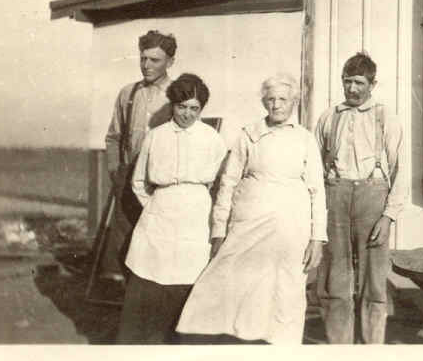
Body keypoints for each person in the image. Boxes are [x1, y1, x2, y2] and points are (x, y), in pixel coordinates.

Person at [176, 74, 327, 345]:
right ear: (263, 102)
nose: (276, 105)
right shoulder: (249, 134)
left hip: (291, 227)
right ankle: (234, 342)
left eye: (283, 99)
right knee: (235, 282)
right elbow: (228, 183)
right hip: (250, 222)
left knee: (286, 289)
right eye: (270, 99)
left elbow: (317, 190)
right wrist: (219, 229)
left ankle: (280, 346)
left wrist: (317, 239)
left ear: (294, 102)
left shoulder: (305, 139)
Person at [116, 73, 227, 344]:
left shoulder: (212, 139)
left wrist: (195, 205)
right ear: (173, 105)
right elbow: (139, 182)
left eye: (194, 108)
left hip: (195, 215)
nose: (187, 114)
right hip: (159, 214)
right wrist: (158, 207)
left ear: (201, 109)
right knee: (150, 279)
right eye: (182, 107)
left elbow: (219, 182)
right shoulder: (156, 136)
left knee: (187, 279)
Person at [315, 52, 405, 344]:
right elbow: (314, 170)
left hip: (372, 199)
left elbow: (401, 169)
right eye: (347, 81)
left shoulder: (385, 116)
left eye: (359, 83)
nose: (352, 89)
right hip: (335, 198)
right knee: (334, 279)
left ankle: (371, 347)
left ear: (372, 84)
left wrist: (388, 216)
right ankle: (339, 346)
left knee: (374, 280)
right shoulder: (330, 117)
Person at [101, 30, 177, 281]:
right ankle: (120, 293)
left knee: (157, 241)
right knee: (123, 242)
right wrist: (116, 172)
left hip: (161, 181)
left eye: (155, 60)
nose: (146, 65)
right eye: (143, 58)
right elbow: (113, 137)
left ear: (170, 62)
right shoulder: (128, 93)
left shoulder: (178, 95)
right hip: (128, 177)